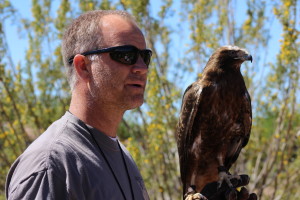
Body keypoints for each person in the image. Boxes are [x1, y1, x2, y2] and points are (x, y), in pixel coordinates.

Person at [5, 10, 256, 200]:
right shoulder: (52, 166)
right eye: (125, 55)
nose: (142, 68)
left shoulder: (122, 157)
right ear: (83, 67)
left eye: (144, 56)